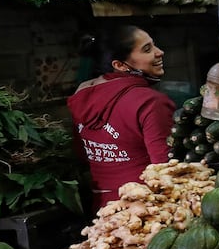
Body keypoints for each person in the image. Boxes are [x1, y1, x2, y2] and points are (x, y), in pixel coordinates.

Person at [68, 25, 176, 210]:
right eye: (147, 49)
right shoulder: (151, 102)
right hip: (144, 212)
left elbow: (82, 153)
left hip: (102, 212)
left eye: (154, 45)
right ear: (119, 65)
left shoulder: (82, 92)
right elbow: (164, 170)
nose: (160, 52)